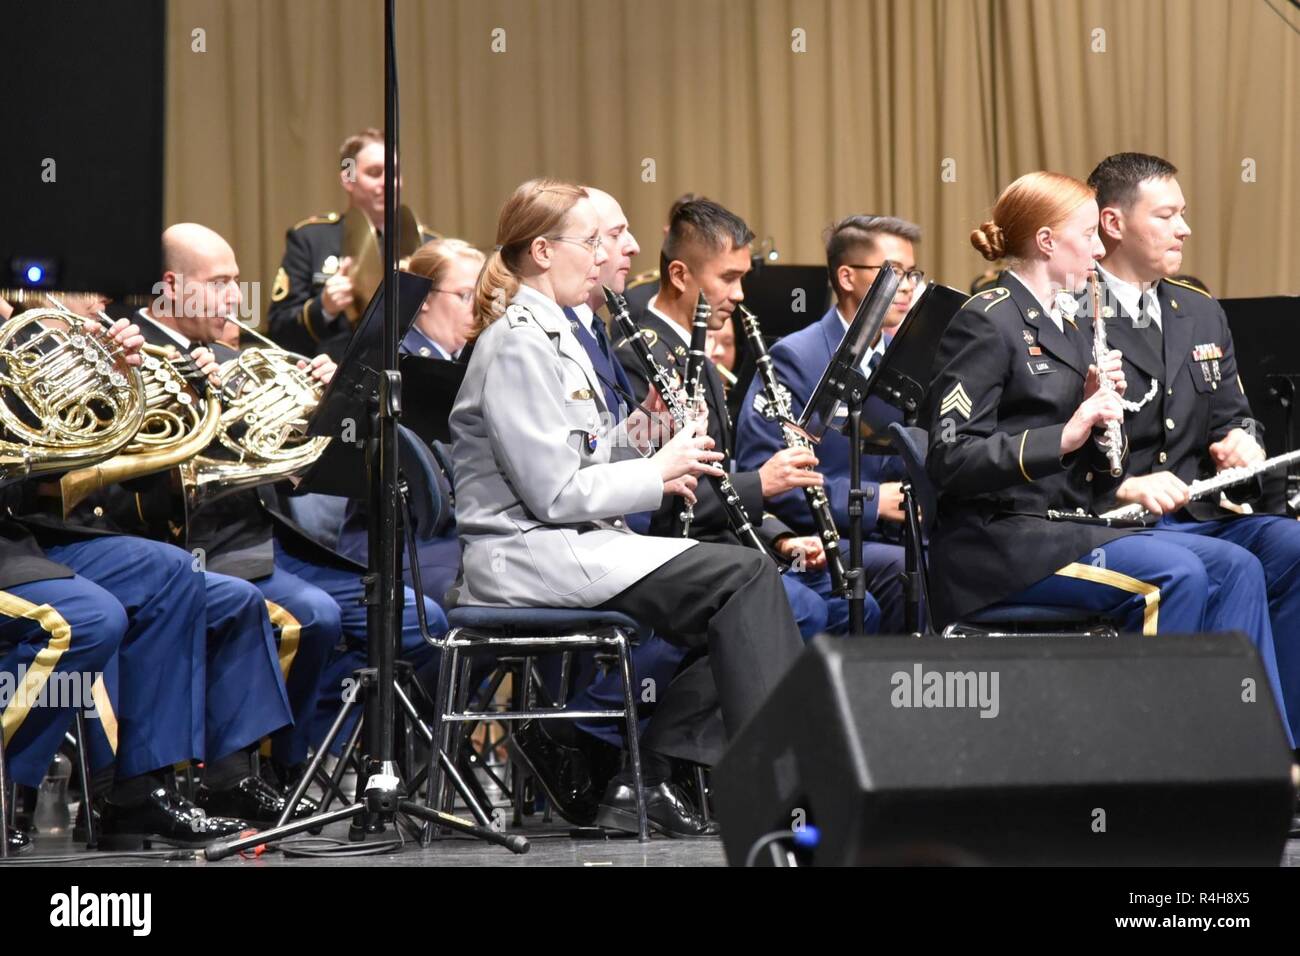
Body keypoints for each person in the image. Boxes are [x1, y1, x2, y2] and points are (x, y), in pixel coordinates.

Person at [448, 178, 805, 837]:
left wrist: (651, 433)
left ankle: (642, 778)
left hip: (569, 542)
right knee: (744, 579)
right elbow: (554, 493)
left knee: (747, 589)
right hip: (527, 553)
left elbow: (585, 455)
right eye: (594, 242)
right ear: (543, 251)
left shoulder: (549, 333)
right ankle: (778, 788)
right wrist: (660, 471)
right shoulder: (520, 342)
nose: (609, 254)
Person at [925, 170, 1291, 743]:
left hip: (1068, 528)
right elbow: (949, 458)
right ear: (1047, 242)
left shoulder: (1069, 324)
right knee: (1176, 575)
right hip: (1002, 544)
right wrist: (1070, 434)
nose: (1100, 250)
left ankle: (1245, 751)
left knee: (1235, 565)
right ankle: (1145, 763)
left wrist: (1101, 421)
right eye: (1089, 235)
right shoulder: (986, 317)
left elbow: (1091, 469)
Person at [1087, 151, 1300, 743]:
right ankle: (1232, 753)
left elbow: (1237, 418)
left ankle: (1287, 748)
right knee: (1233, 567)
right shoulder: (1071, 311)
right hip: (1114, 523)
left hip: (1199, 513)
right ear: (1113, 224)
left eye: (1183, 214)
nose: (1184, 229)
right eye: (1167, 215)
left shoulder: (1200, 310)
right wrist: (1119, 485)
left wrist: (1243, 446)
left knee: (1294, 545)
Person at [615, 196, 861, 639]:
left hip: (724, 544)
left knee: (854, 605)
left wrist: (780, 536)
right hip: (673, 554)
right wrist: (761, 483)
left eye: (742, 278)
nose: (740, 295)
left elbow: (718, 474)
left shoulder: (699, 355)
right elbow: (657, 500)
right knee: (804, 611)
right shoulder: (640, 356)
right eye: (728, 278)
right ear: (679, 275)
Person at [736, 214, 925, 631]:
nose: (908, 286)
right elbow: (767, 477)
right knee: (904, 570)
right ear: (846, 277)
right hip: (817, 536)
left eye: (913, 274)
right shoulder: (794, 358)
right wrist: (875, 500)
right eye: (894, 273)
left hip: (892, 533)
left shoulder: (909, 356)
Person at [266, 126, 437, 356]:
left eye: (394, 173)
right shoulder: (310, 239)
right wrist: (324, 308)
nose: (388, 182)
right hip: (332, 374)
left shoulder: (429, 246)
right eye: (375, 173)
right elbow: (278, 330)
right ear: (348, 178)